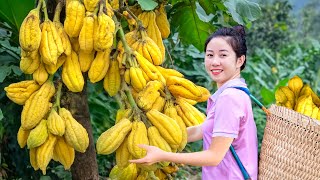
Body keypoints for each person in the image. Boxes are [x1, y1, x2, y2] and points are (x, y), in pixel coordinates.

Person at [129, 25, 258, 180]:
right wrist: (164, 137)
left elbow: (214, 157)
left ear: (240, 60)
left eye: (223, 55)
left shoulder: (229, 98)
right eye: (210, 55)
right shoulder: (235, 92)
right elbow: (203, 130)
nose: (214, 62)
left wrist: (164, 155)